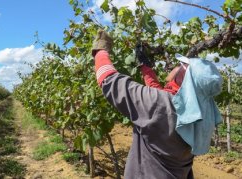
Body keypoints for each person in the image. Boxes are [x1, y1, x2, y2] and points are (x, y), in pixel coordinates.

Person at [92, 29, 223, 179]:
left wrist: (101, 49)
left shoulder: (158, 104)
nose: (176, 66)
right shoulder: (201, 114)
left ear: (183, 77)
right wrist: (146, 68)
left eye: (180, 66)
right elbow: (162, 99)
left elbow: (109, 81)